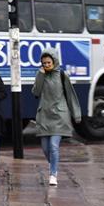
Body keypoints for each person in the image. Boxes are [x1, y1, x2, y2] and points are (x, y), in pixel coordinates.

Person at [32, 50, 81, 187]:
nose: (46, 65)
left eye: (49, 62)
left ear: (54, 61)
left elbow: (71, 95)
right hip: (44, 116)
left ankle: (53, 174)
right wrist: (41, 75)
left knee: (54, 146)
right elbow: (36, 92)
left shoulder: (62, 75)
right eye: (44, 63)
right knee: (45, 149)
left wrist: (76, 114)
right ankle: (53, 164)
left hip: (59, 116)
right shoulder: (40, 74)